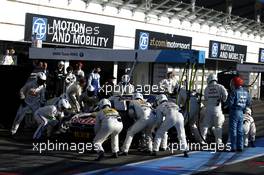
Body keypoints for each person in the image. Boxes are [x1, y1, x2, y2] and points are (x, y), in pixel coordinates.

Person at [200, 74, 228, 144]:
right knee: (218, 126)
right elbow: (226, 94)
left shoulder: (207, 88)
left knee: (205, 125)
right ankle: (218, 141)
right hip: (217, 110)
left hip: (208, 109)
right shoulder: (220, 87)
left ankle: (202, 140)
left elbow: (206, 98)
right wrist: (223, 99)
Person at [228, 76, 251, 152]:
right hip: (241, 112)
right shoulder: (246, 92)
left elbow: (230, 103)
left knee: (233, 130)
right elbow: (249, 103)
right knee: (240, 130)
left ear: (235, 84)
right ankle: (240, 146)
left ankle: (233, 147)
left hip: (234, 111)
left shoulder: (234, 92)